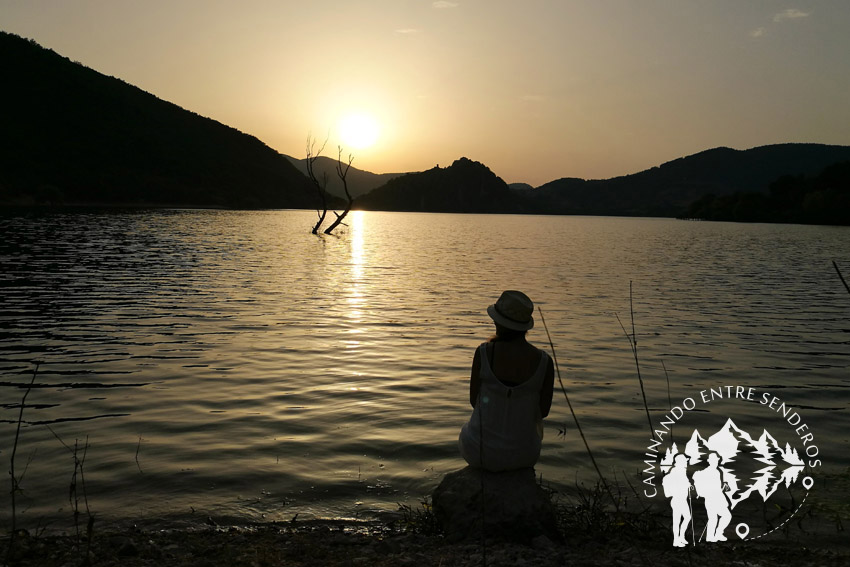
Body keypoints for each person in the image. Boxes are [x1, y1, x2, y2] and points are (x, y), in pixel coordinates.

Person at [458, 290, 555, 472]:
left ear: (498, 322)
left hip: (479, 452)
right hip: (524, 456)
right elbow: (543, 411)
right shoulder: (544, 361)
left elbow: (474, 401)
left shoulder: (484, 353)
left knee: (465, 430)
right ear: (525, 326)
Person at [692, 452, 732, 542]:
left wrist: (723, 486)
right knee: (718, 517)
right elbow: (712, 488)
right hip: (712, 498)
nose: (715, 462)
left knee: (721, 517)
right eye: (713, 460)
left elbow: (716, 487)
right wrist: (722, 487)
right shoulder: (710, 472)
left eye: (716, 460)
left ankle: (715, 535)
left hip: (716, 498)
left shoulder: (717, 471)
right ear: (709, 461)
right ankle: (713, 536)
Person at [662, 453, 693, 547]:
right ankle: (676, 540)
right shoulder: (676, 472)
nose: (686, 463)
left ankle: (681, 537)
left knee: (687, 517)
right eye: (685, 461)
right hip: (677, 500)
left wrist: (689, 485)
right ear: (680, 462)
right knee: (677, 521)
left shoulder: (682, 471)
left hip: (682, 500)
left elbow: (685, 482)